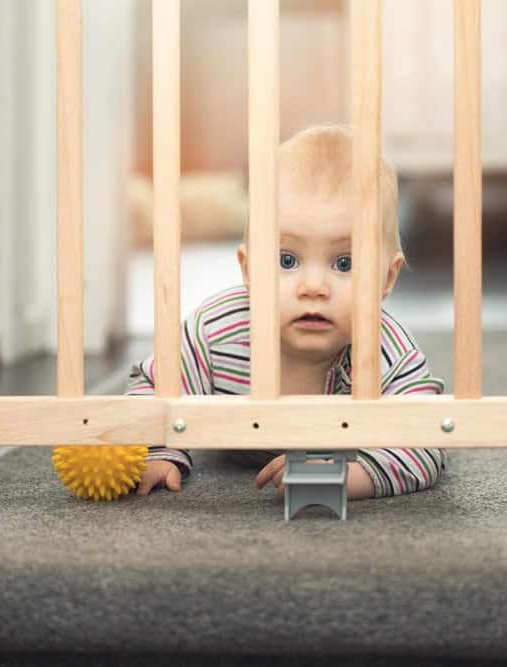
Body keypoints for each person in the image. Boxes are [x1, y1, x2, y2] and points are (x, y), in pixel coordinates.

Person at [127, 124, 447, 500]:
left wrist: (347, 476)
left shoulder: (388, 352)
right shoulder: (215, 332)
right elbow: (152, 388)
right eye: (287, 259)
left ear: (387, 280)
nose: (313, 286)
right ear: (248, 270)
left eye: (344, 264)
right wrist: (162, 451)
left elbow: (429, 440)